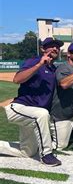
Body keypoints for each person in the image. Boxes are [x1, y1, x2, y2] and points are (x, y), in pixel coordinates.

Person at [2, 37, 64, 166]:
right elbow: (17, 79)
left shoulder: (53, 69)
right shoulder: (33, 61)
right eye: (51, 45)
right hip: (19, 108)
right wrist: (39, 64)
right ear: (42, 48)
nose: (55, 48)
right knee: (41, 114)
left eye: (57, 46)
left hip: (33, 115)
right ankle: (47, 155)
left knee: (27, 152)